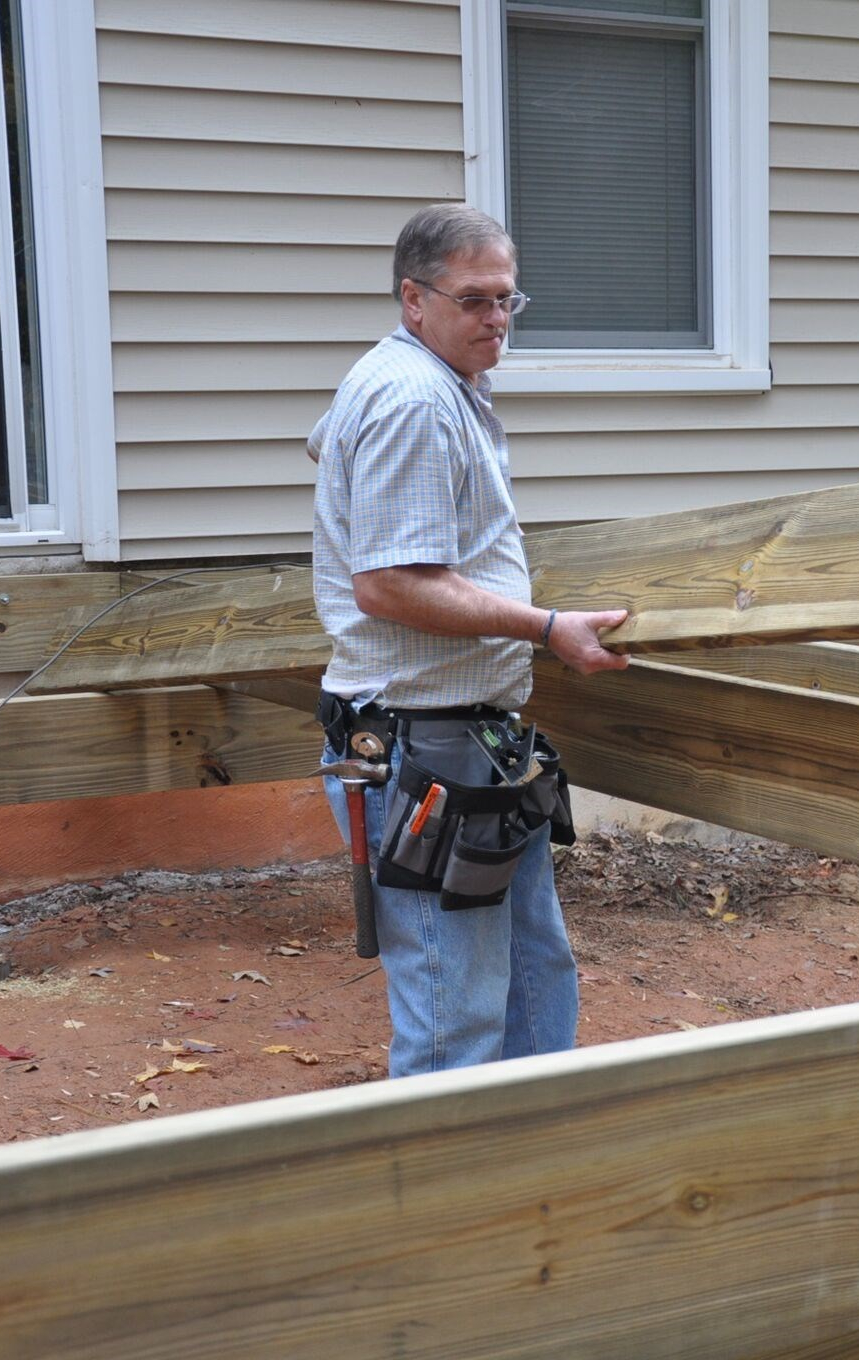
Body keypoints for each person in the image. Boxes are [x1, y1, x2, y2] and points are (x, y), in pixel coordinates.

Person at [309, 203, 629, 1077]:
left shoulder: (429, 384)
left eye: (509, 301)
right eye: (476, 300)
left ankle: (529, 1173)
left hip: (473, 743)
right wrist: (545, 628)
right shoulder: (413, 400)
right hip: (420, 751)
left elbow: (328, 451)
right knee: (455, 1012)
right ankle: (454, 1201)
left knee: (532, 975)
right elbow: (388, 583)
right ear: (414, 299)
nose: (497, 320)